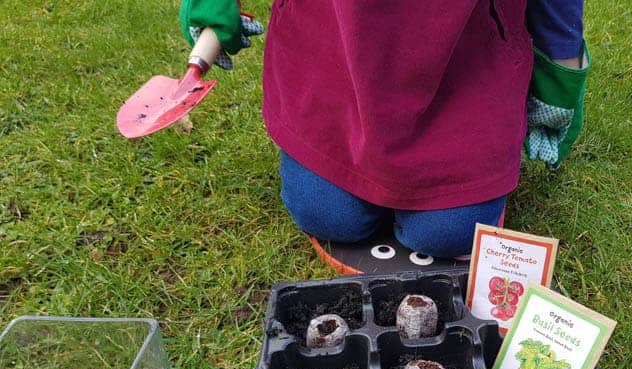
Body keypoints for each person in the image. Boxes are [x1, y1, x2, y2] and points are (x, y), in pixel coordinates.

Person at [180, 1, 589, 262]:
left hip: (464, 67)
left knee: (446, 235)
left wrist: (560, 75)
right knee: (327, 216)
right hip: (332, 55)